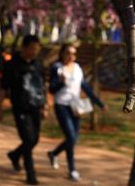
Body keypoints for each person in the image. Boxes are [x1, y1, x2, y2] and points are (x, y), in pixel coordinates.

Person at [46, 43, 105, 183]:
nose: (71, 56)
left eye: (74, 53)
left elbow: (84, 86)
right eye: (68, 53)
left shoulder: (78, 68)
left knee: (73, 139)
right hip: (61, 105)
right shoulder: (57, 68)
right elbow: (52, 90)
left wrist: (98, 102)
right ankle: (72, 170)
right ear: (62, 54)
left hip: (75, 106)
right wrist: (61, 82)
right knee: (71, 137)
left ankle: (54, 153)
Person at [0, 35, 46, 185]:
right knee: (28, 139)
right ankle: (31, 175)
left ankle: (15, 155)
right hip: (20, 108)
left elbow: (42, 86)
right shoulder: (12, 65)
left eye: (36, 49)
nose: (34, 52)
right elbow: (4, 87)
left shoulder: (38, 64)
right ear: (24, 48)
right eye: (32, 49)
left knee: (35, 139)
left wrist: (45, 106)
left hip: (36, 106)